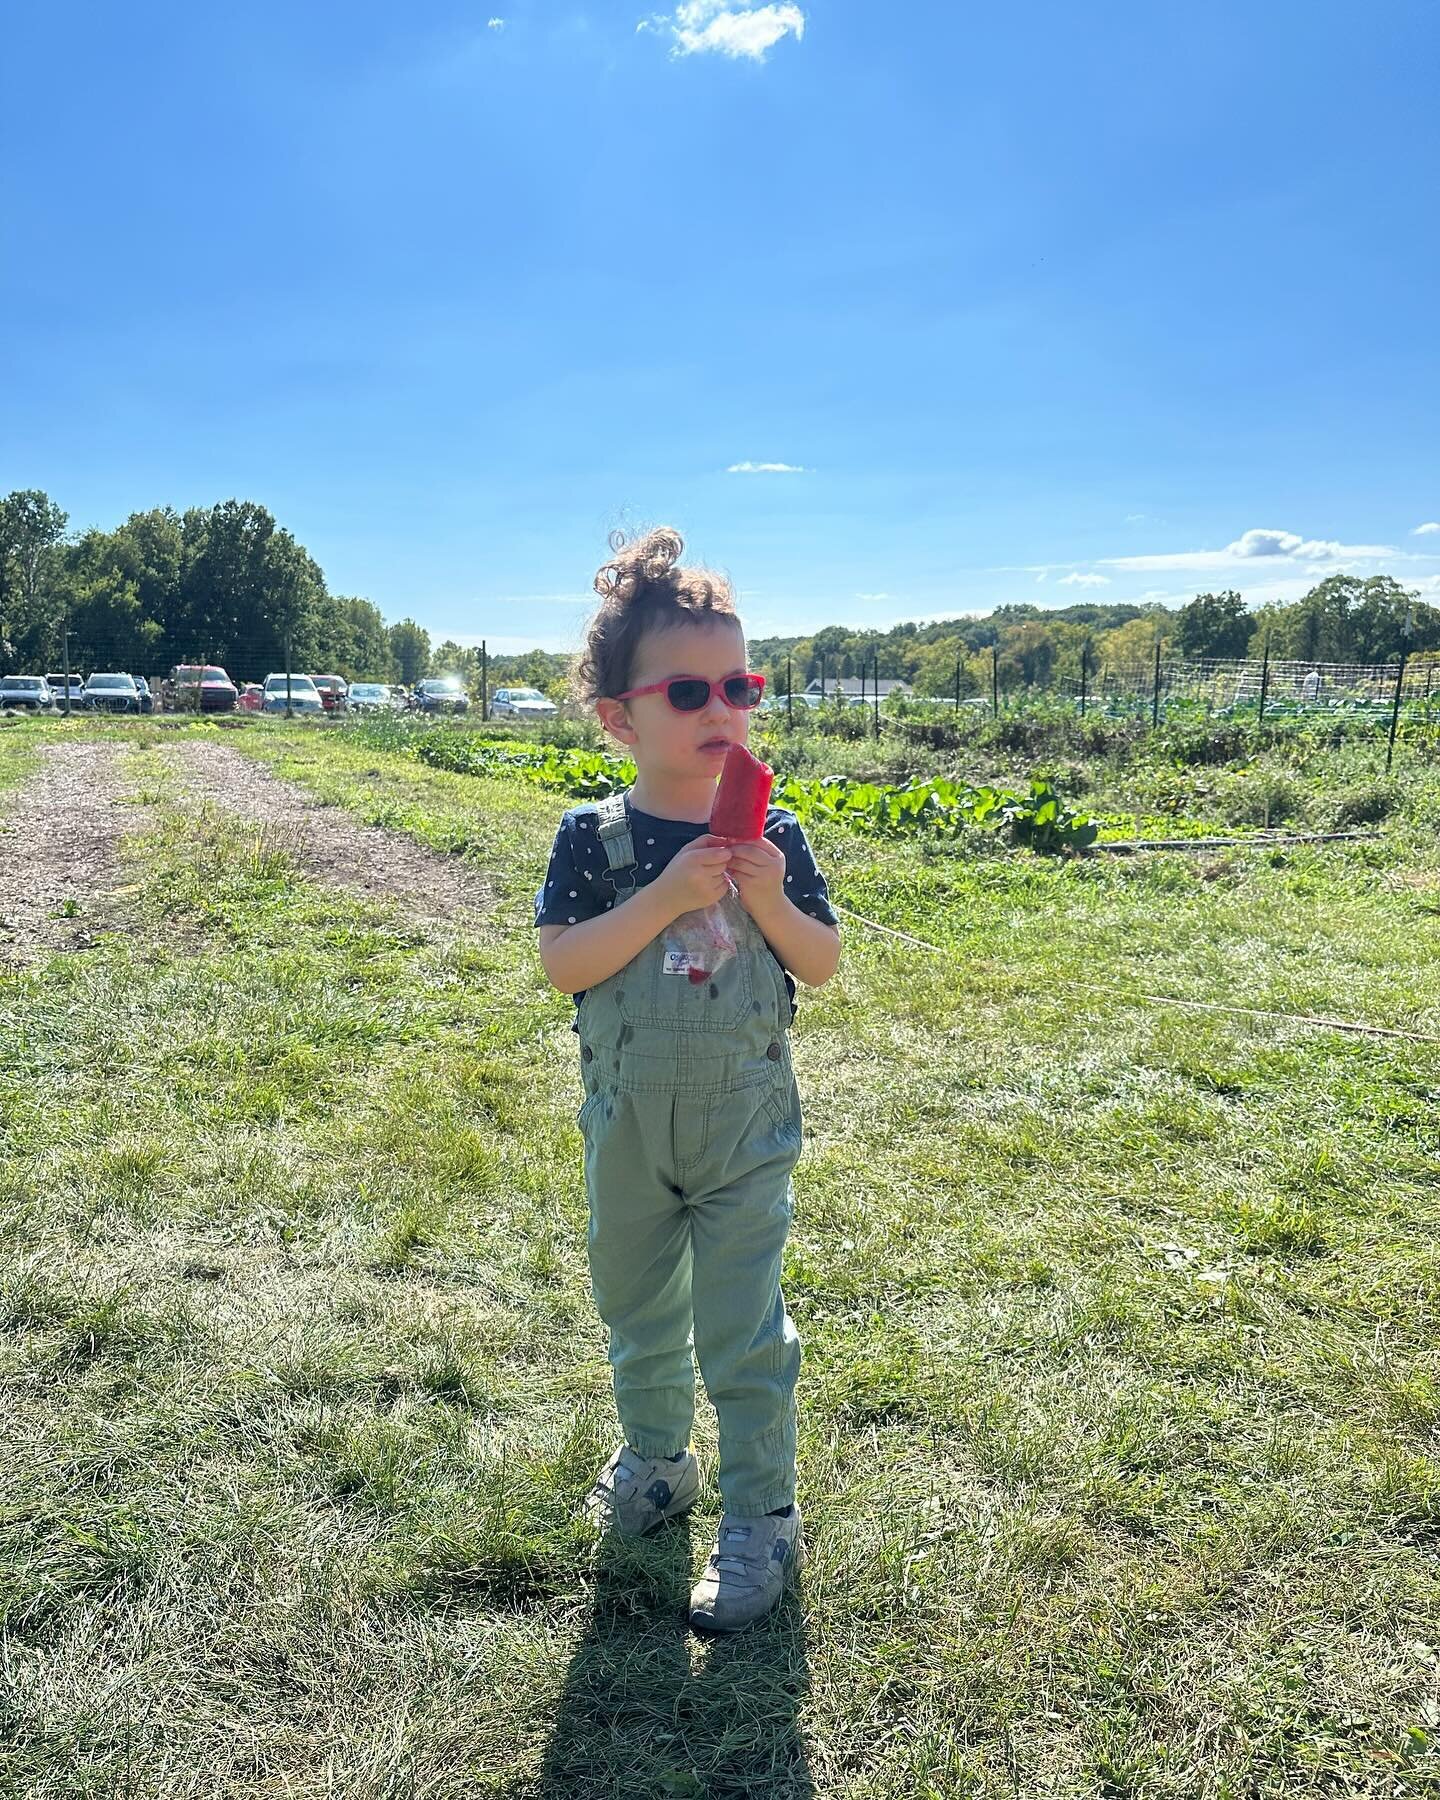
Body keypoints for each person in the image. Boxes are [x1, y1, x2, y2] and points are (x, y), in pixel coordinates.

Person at [534, 528, 841, 1633]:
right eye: (691, 689)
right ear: (621, 717)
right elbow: (564, 964)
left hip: (745, 1128)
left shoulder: (782, 834)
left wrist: (767, 898)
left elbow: (821, 962)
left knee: (744, 1326)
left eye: (741, 685)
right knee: (636, 1306)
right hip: (627, 1128)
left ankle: (763, 1515)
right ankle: (658, 1462)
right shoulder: (594, 838)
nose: (724, 708)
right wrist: (662, 898)